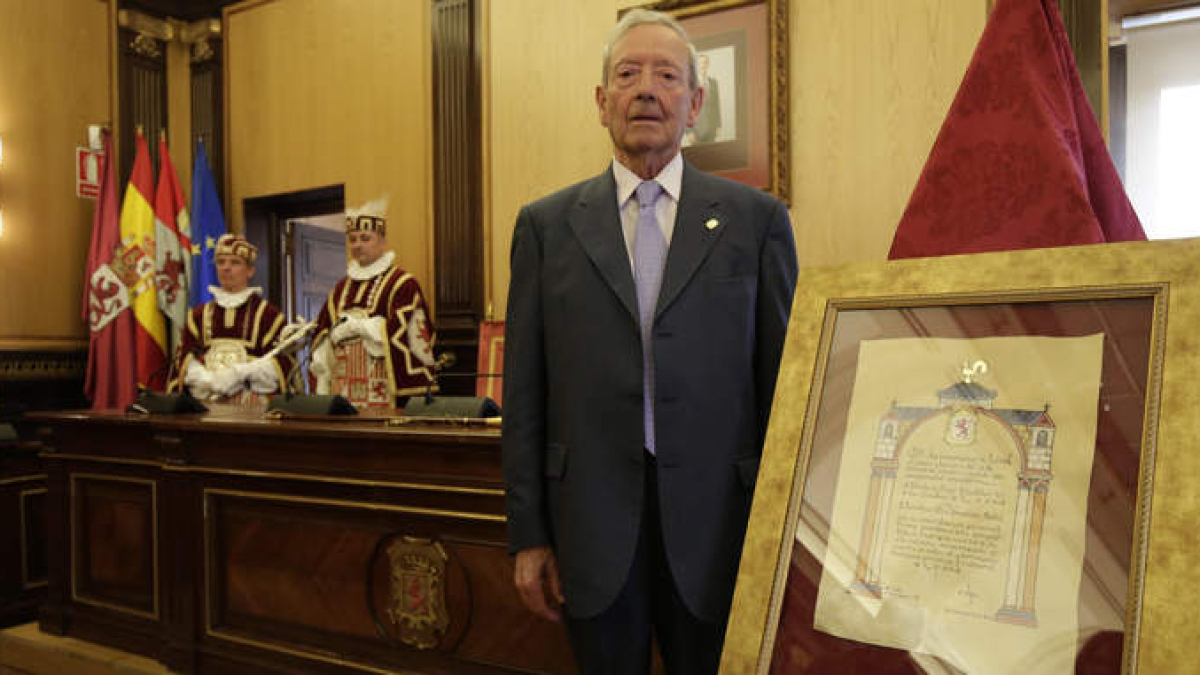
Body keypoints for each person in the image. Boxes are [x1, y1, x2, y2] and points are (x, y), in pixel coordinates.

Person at [501, 9, 797, 675]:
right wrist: (528, 535)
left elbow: (784, 385)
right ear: (601, 101)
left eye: (667, 75)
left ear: (694, 103)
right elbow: (524, 392)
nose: (646, 89)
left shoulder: (758, 222)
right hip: (591, 531)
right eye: (627, 73)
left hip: (723, 530)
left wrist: (782, 530)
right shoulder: (546, 227)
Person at [310, 197, 437, 409]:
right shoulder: (340, 289)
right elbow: (322, 337)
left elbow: (408, 335)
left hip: (383, 391)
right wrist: (330, 336)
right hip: (343, 390)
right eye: (352, 239)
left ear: (382, 241)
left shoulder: (403, 284)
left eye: (365, 238)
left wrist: (359, 327)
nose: (357, 245)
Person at [169, 234, 296, 403]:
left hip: (252, 409)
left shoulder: (270, 316)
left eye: (235, 262)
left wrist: (240, 374)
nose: (226, 268)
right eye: (221, 262)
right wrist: (208, 381)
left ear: (250, 270)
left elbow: (281, 366)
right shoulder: (197, 316)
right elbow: (184, 361)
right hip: (204, 406)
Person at [689, 53, 721, 144]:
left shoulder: (714, 82)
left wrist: (718, 125)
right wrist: (689, 131)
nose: (703, 65)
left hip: (712, 128)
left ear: (708, 65)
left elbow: (716, 105)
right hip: (697, 129)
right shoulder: (691, 83)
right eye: (701, 63)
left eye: (705, 63)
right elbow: (686, 108)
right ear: (697, 65)